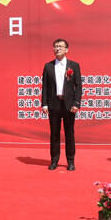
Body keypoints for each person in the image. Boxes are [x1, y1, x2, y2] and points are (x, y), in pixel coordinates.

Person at [41, 38, 82, 171]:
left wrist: (76, 103)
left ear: (66, 50)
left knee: (69, 133)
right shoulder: (48, 66)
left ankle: (70, 161)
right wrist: (44, 104)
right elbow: (45, 87)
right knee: (54, 134)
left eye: (60, 46)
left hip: (69, 105)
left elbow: (78, 86)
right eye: (55, 46)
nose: (57, 48)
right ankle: (54, 160)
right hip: (54, 104)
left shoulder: (73, 65)